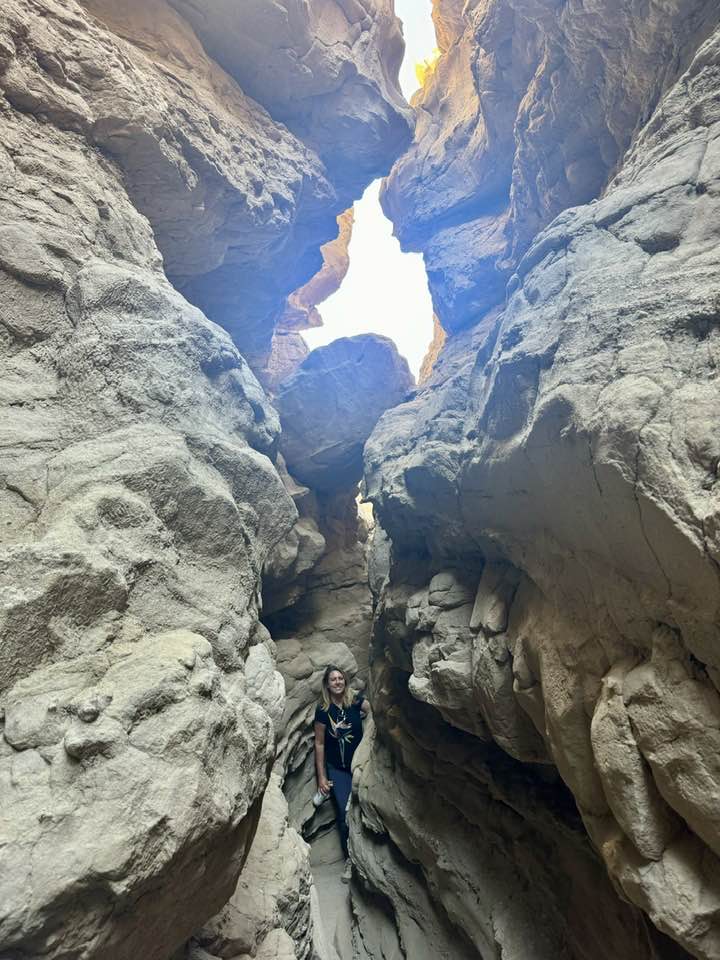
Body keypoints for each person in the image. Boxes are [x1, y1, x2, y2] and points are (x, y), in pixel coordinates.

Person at [314, 665, 369, 882]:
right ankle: (350, 860)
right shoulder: (323, 710)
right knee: (345, 816)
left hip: (359, 765)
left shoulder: (355, 701)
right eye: (333, 679)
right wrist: (322, 776)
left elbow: (374, 711)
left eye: (340, 679)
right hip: (337, 769)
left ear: (344, 681)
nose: (337, 682)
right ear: (327, 684)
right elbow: (319, 743)